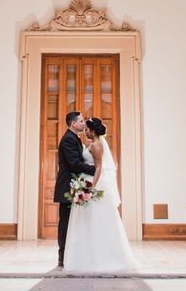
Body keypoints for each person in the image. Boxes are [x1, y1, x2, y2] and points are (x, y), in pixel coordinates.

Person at [63, 117, 140, 273]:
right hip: (85, 182)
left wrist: (92, 186)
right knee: (86, 221)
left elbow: (98, 167)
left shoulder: (97, 145)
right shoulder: (91, 144)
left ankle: (101, 257)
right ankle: (85, 256)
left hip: (93, 184)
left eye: (87, 129)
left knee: (96, 220)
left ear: (92, 131)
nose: (85, 131)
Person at [54, 111, 96, 268]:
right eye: (81, 121)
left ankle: (73, 255)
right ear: (73, 123)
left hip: (75, 185)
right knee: (65, 222)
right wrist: (97, 170)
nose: (84, 123)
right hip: (67, 187)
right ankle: (63, 256)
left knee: (73, 222)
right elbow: (75, 164)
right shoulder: (68, 140)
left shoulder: (75, 138)